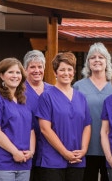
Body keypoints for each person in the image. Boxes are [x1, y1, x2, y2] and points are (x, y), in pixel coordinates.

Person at [35, 52, 92, 181]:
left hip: (77, 159)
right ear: (55, 73)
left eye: (69, 69)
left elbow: (87, 125)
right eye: (62, 70)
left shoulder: (81, 97)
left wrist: (83, 150)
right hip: (53, 161)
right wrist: (65, 153)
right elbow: (45, 129)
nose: (66, 73)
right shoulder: (47, 96)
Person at [0, 58, 35, 181]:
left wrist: (31, 151)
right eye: (11, 72)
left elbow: (30, 129)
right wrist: (15, 152)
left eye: (18, 72)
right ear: (1, 75)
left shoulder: (23, 101)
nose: (15, 76)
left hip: (23, 163)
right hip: (0, 164)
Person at [73, 42, 112, 181]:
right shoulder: (78, 86)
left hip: (111, 147)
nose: (97, 60)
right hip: (86, 146)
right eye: (92, 57)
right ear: (88, 62)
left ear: (107, 62)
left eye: (101, 57)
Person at [23, 50, 52, 181]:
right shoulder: (19, 91)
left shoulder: (53, 91)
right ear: (25, 69)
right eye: (32, 67)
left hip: (49, 147)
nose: (37, 70)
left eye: (40, 67)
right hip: (25, 146)